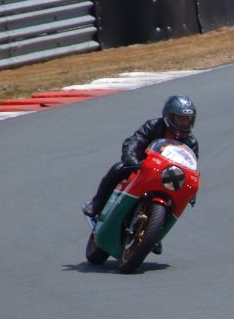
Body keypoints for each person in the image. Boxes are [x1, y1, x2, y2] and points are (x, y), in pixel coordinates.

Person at [83, 95, 199, 254]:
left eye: (187, 120)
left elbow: (193, 165)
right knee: (118, 168)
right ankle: (96, 204)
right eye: (180, 119)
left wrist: (191, 188)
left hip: (168, 178)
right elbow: (134, 141)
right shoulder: (153, 126)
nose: (183, 123)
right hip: (143, 168)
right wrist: (131, 158)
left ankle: (155, 233)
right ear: (169, 117)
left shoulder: (191, 142)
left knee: (175, 201)